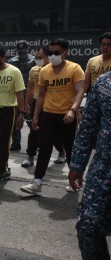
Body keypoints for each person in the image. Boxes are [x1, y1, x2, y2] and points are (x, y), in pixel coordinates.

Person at [20, 38, 85, 195]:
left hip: (67, 115)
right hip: (48, 114)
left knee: (70, 150)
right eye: (51, 52)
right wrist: (36, 116)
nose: (53, 55)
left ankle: (74, 180)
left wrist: (73, 110)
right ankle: (36, 183)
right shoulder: (44, 70)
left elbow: (80, 91)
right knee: (44, 149)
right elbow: (41, 95)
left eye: (56, 52)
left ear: (65, 53)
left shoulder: (75, 69)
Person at [68, 71, 111, 260]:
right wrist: (77, 164)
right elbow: (89, 126)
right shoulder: (105, 83)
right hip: (104, 169)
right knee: (88, 226)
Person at [0, 43, 25, 189]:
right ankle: (5, 169)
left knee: (3, 143)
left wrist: (21, 114)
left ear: (4, 57)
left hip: (9, 110)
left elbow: (20, 94)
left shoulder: (14, 72)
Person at [21, 45, 66, 168]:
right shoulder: (34, 70)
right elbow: (30, 88)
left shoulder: (54, 70)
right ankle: (30, 156)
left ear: (48, 57)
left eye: (40, 57)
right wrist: (27, 104)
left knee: (54, 132)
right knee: (34, 130)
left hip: (52, 103)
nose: (37, 60)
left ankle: (62, 152)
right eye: (36, 57)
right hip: (37, 103)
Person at [8, 40, 35, 151]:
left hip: (29, 96)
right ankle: (16, 144)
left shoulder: (34, 61)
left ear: (28, 49)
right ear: (16, 51)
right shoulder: (12, 61)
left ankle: (35, 144)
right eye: (20, 52)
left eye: (24, 52)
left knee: (30, 121)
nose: (22, 54)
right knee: (15, 121)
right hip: (16, 95)